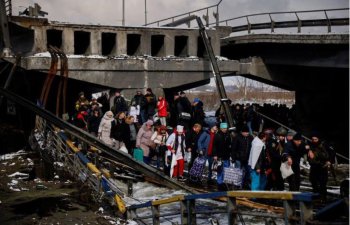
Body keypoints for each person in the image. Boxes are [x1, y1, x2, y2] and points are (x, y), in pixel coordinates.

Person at [308, 131, 329, 202]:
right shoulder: (311, 145)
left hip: (322, 167)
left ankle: (323, 198)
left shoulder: (323, 146)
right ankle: (316, 198)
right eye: (313, 139)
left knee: (322, 183)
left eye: (315, 139)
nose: (314, 141)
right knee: (313, 182)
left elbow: (326, 156)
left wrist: (314, 153)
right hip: (314, 167)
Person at [232, 125, 254, 189]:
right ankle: (237, 185)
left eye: (247, 132)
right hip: (238, 158)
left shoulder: (250, 137)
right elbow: (233, 148)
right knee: (238, 172)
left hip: (247, 158)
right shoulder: (237, 137)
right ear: (242, 132)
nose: (247, 133)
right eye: (245, 132)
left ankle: (245, 184)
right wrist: (233, 157)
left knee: (248, 172)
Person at [212, 122, 233, 191]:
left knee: (226, 170)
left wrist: (230, 153)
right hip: (219, 156)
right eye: (223, 128)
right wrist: (215, 155)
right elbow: (214, 146)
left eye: (226, 128)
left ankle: (225, 184)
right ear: (221, 128)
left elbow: (230, 145)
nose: (225, 129)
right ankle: (219, 184)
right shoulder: (217, 135)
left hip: (226, 156)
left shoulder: (228, 135)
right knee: (220, 170)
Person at [268, 126, 287, 190]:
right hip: (273, 163)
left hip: (280, 164)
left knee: (279, 180)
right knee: (272, 180)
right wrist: (281, 157)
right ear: (277, 135)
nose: (282, 137)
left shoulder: (283, 142)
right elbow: (272, 153)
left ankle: (279, 193)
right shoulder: (273, 141)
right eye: (281, 136)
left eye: (283, 136)